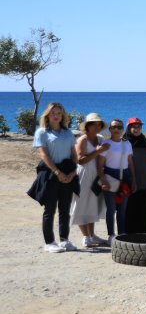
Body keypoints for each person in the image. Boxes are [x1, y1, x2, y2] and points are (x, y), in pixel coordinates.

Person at [30, 102, 79, 252]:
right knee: (49, 209)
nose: (56, 116)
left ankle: (64, 240)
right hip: (51, 174)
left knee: (65, 210)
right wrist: (57, 172)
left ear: (63, 115)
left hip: (67, 173)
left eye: (59, 113)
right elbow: (43, 154)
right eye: (53, 113)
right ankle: (49, 242)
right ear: (48, 115)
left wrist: (72, 172)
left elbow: (74, 154)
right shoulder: (42, 132)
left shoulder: (68, 133)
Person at [71, 113, 110, 247]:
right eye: (94, 124)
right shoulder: (82, 140)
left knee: (93, 204)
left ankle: (92, 235)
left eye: (99, 124)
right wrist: (97, 152)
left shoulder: (99, 138)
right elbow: (80, 160)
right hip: (83, 174)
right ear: (87, 126)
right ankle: (85, 236)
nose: (97, 127)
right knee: (81, 203)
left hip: (96, 174)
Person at [101, 118, 135, 240]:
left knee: (122, 208)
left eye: (119, 127)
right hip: (110, 176)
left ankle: (122, 234)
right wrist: (103, 180)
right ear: (110, 129)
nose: (116, 129)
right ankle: (111, 235)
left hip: (125, 177)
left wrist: (133, 180)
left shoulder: (127, 143)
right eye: (114, 127)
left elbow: (130, 162)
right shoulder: (105, 144)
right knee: (111, 208)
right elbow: (100, 165)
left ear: (122, 130)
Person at [124, 117, 146, 234]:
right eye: (133, 127)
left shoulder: (144, 142)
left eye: (138, 127)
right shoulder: (124, 143)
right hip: (130, 183)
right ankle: (129, 236)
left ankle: (144, 235)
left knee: (145, 211)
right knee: (130, 211)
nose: (136, 129)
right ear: (129, 128)